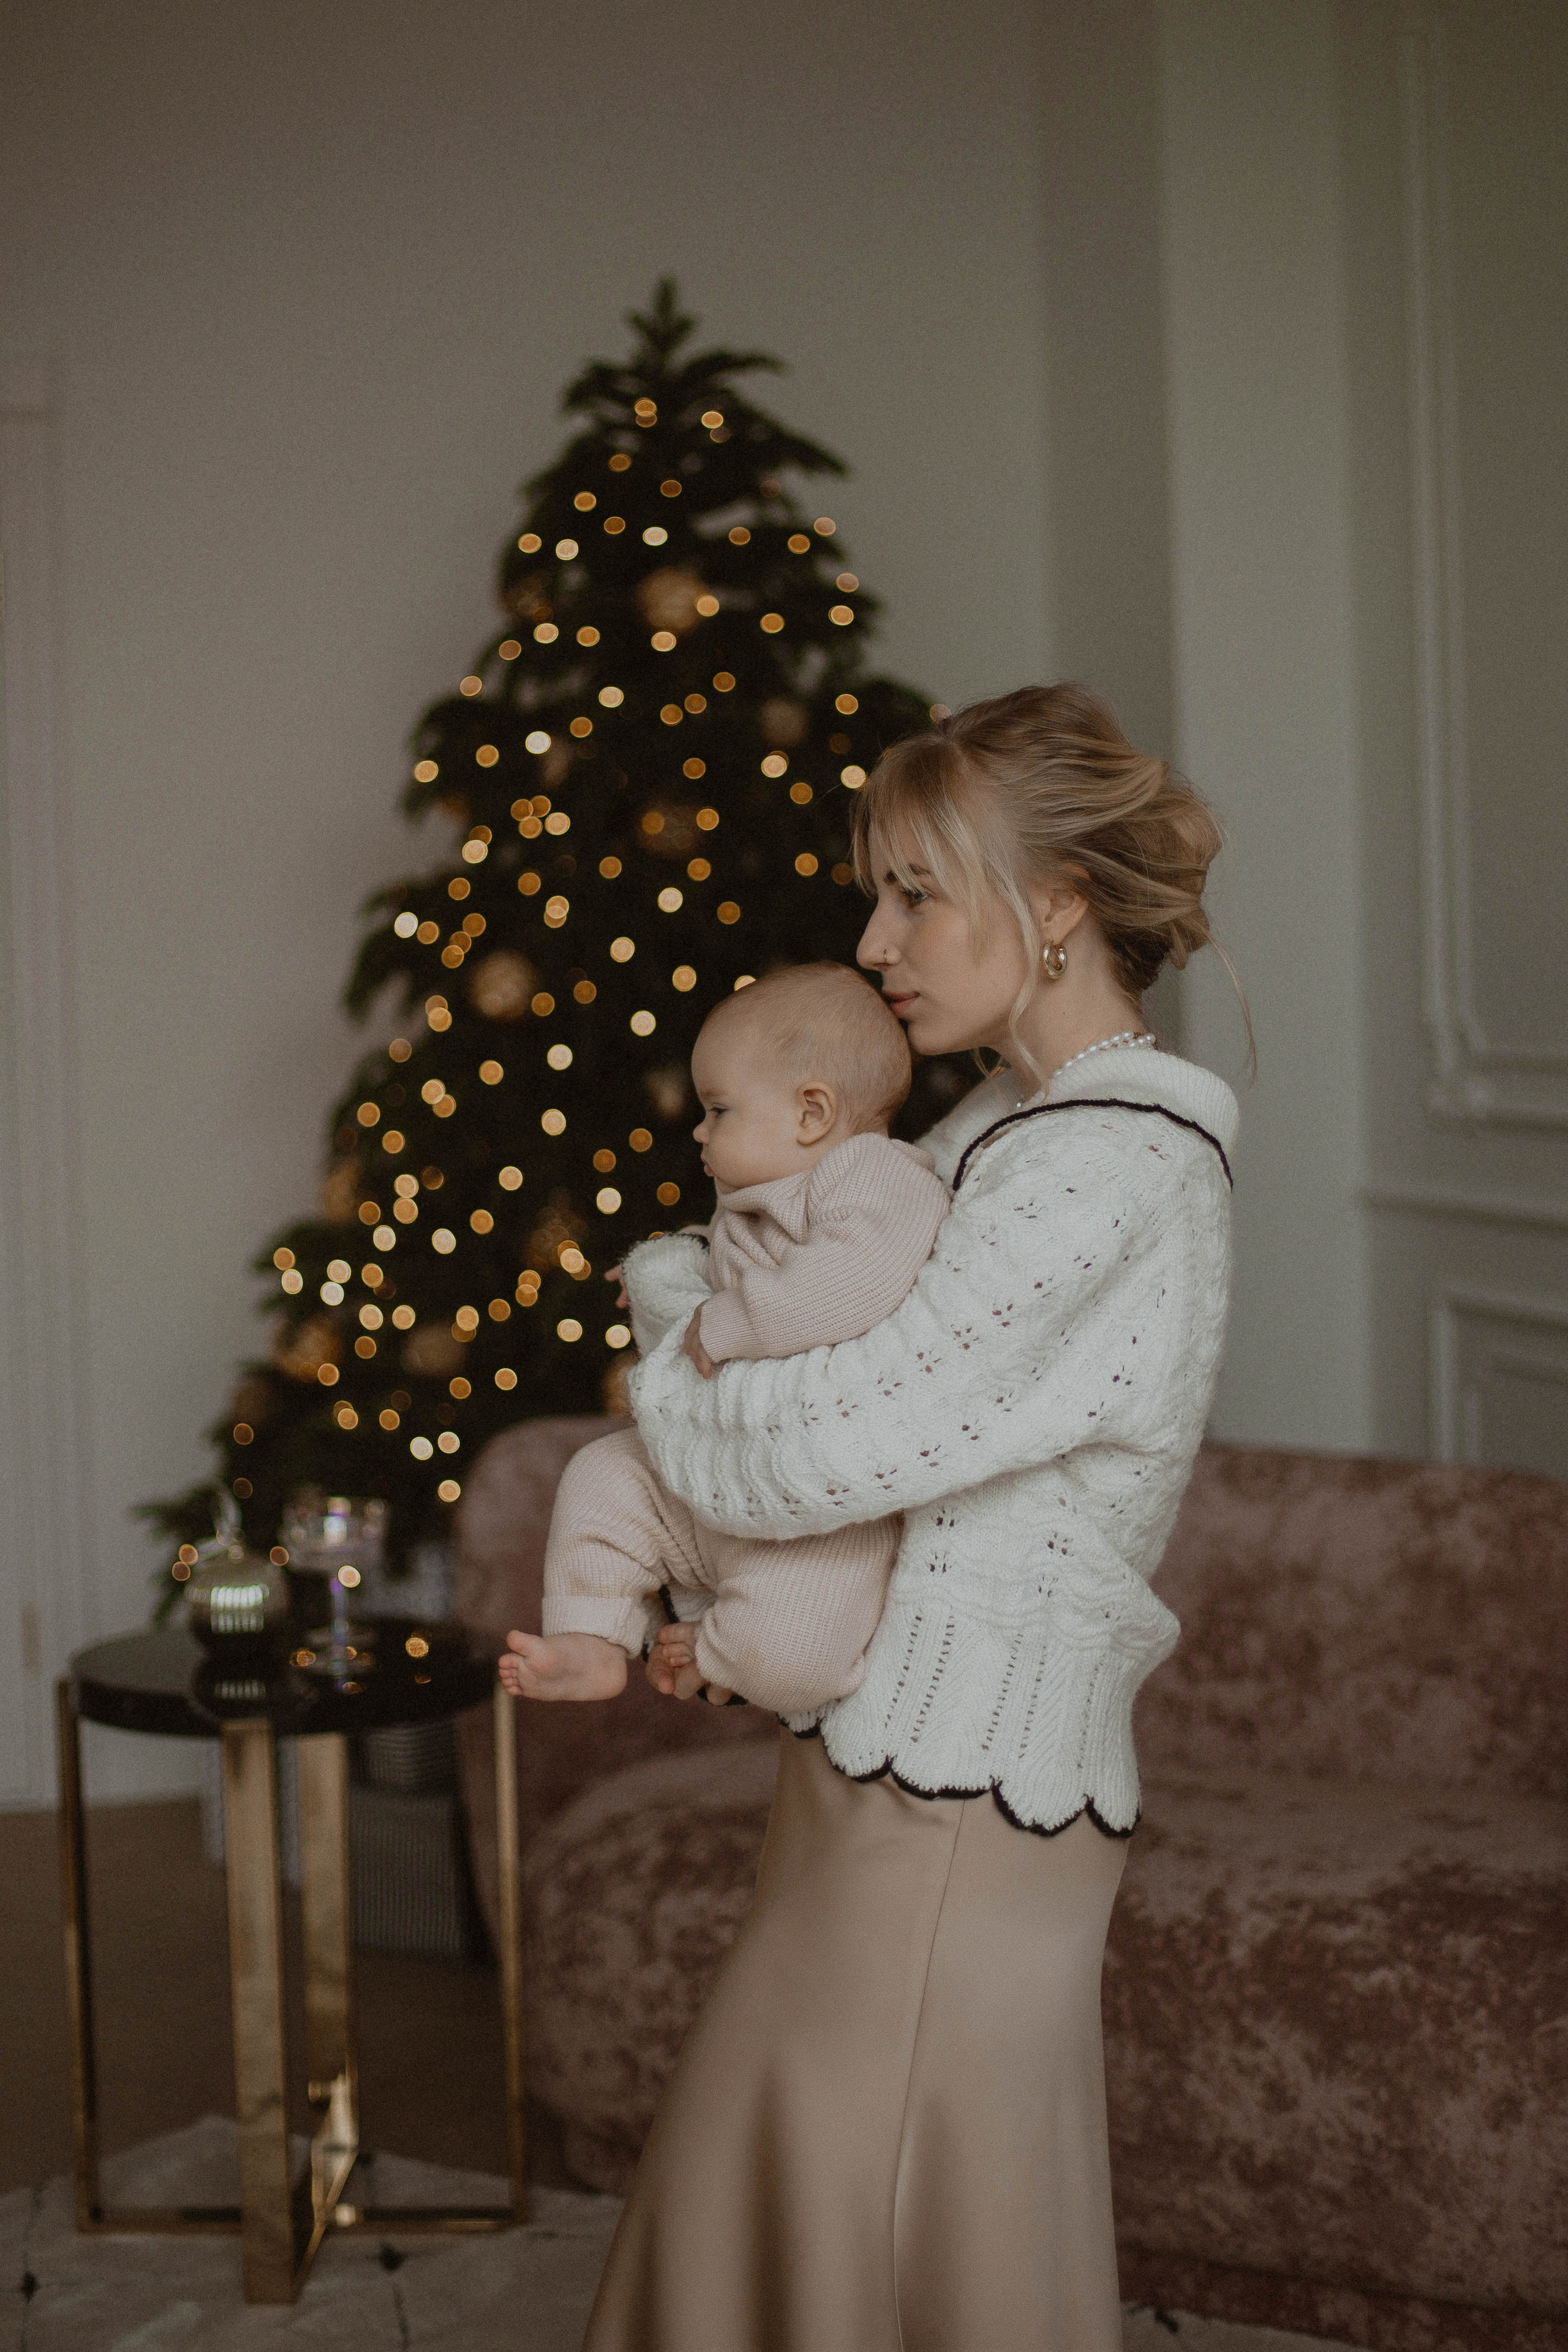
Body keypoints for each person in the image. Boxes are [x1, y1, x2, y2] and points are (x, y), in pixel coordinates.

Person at [582, 684, 1241, 2352]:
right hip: (907, 1759)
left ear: (1061, 907)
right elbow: (789, 1308)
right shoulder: (1002, 1127)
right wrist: (702, 1314)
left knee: (829, 2213)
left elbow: (813, 1440)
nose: (877, 938)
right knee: (867, 2230)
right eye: (877, 891)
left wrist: (663, 1357)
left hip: (966, 1799)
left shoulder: (1112, 1167)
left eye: (916, 893)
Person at [498, 962, 948, 1717]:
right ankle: (593, 1639)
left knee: (793, 1649)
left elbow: (854, 1280)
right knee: (603, 1477)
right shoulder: (753, 1202)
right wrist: (668, 1270)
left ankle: (722, 1647)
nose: (700, 1130)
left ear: (812, 1113)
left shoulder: (874, 1177)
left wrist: (729, 1321)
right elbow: (733, 1264)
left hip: (819, 1511)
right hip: (715, 1478)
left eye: (719, 1109)